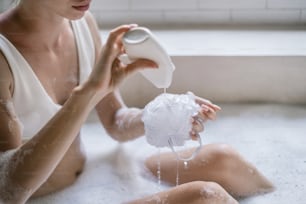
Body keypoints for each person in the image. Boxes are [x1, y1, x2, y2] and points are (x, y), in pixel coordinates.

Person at [0, 0, 274, 203]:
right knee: (207, 197)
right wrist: (87, 94)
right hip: (39, 199)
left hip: (91, 176)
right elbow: (7, 189)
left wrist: (160, 115)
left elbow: (115, 122)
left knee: (224, 159)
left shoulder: (82, 24)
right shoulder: (3, 57)